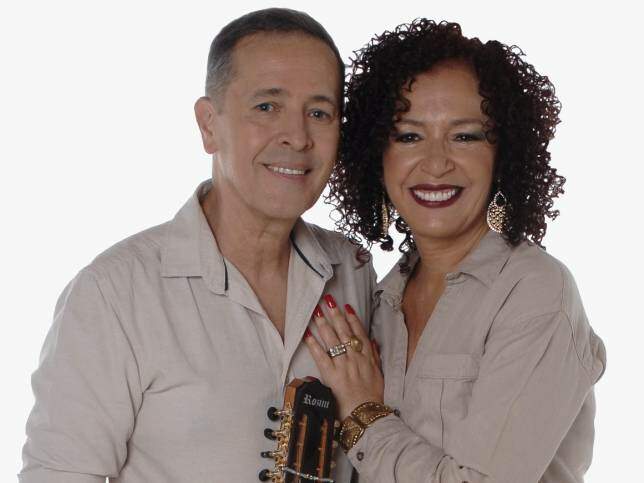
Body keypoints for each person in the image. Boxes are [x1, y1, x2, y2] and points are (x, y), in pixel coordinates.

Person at [19, 8, 376, 482]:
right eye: (267, 107)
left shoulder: (354, 271)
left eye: (319, 113)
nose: (297, 137)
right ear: (209, 125)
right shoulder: (114, 293)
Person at [305, 19, 606, 482]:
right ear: (376, 156)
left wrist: (364, 414)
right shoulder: (375, 301)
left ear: (502, 155)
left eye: (465, 135)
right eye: (408, 136)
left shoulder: (534, 292)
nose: (436, 162)